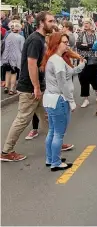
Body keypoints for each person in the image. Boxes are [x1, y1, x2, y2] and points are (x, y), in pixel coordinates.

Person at [1, 12, 73, 162]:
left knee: (47, 116)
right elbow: (31, 64)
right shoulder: (35, 40)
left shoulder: (40, 39)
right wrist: (36, 87)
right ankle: (6, 151)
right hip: (30, 88)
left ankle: (56, 143)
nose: (53, 23)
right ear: (41, 22)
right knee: (22, 119)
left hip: (38, 87)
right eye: (51, 21)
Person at [41, 33, 85, 171]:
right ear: (56, 44)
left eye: (67, 42)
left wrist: (82, 65)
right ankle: (56, 162)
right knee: (59, 133)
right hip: (59, 99)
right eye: (64, 42)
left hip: (50, 99)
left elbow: (70, 72)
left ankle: (51, 158)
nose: (67, 44)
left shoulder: (53, 59)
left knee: (53, 131)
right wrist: (71, 102)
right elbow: (63, 84)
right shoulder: (58, 61)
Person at [76, 18, 97, 108]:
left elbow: (96, 46)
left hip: (93, 59)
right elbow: (78, 45)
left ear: (91, 24)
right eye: (84, 23)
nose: (85, 25)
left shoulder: (96, 35)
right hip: (83, 58)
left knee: (94, 78)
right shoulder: (81, 34)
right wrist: (89, 46)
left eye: (87, 23)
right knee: (83, 78)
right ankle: (86, 99)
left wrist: (87, 45)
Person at [1, 22, 25, 95]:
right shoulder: (21, 38)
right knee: (14, 74)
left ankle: (6, 87)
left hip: (6, 57)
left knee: (7, 72)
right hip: (15, 58)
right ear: (19, 29)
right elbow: (22, 49)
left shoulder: (7, 36)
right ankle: (12, 89)